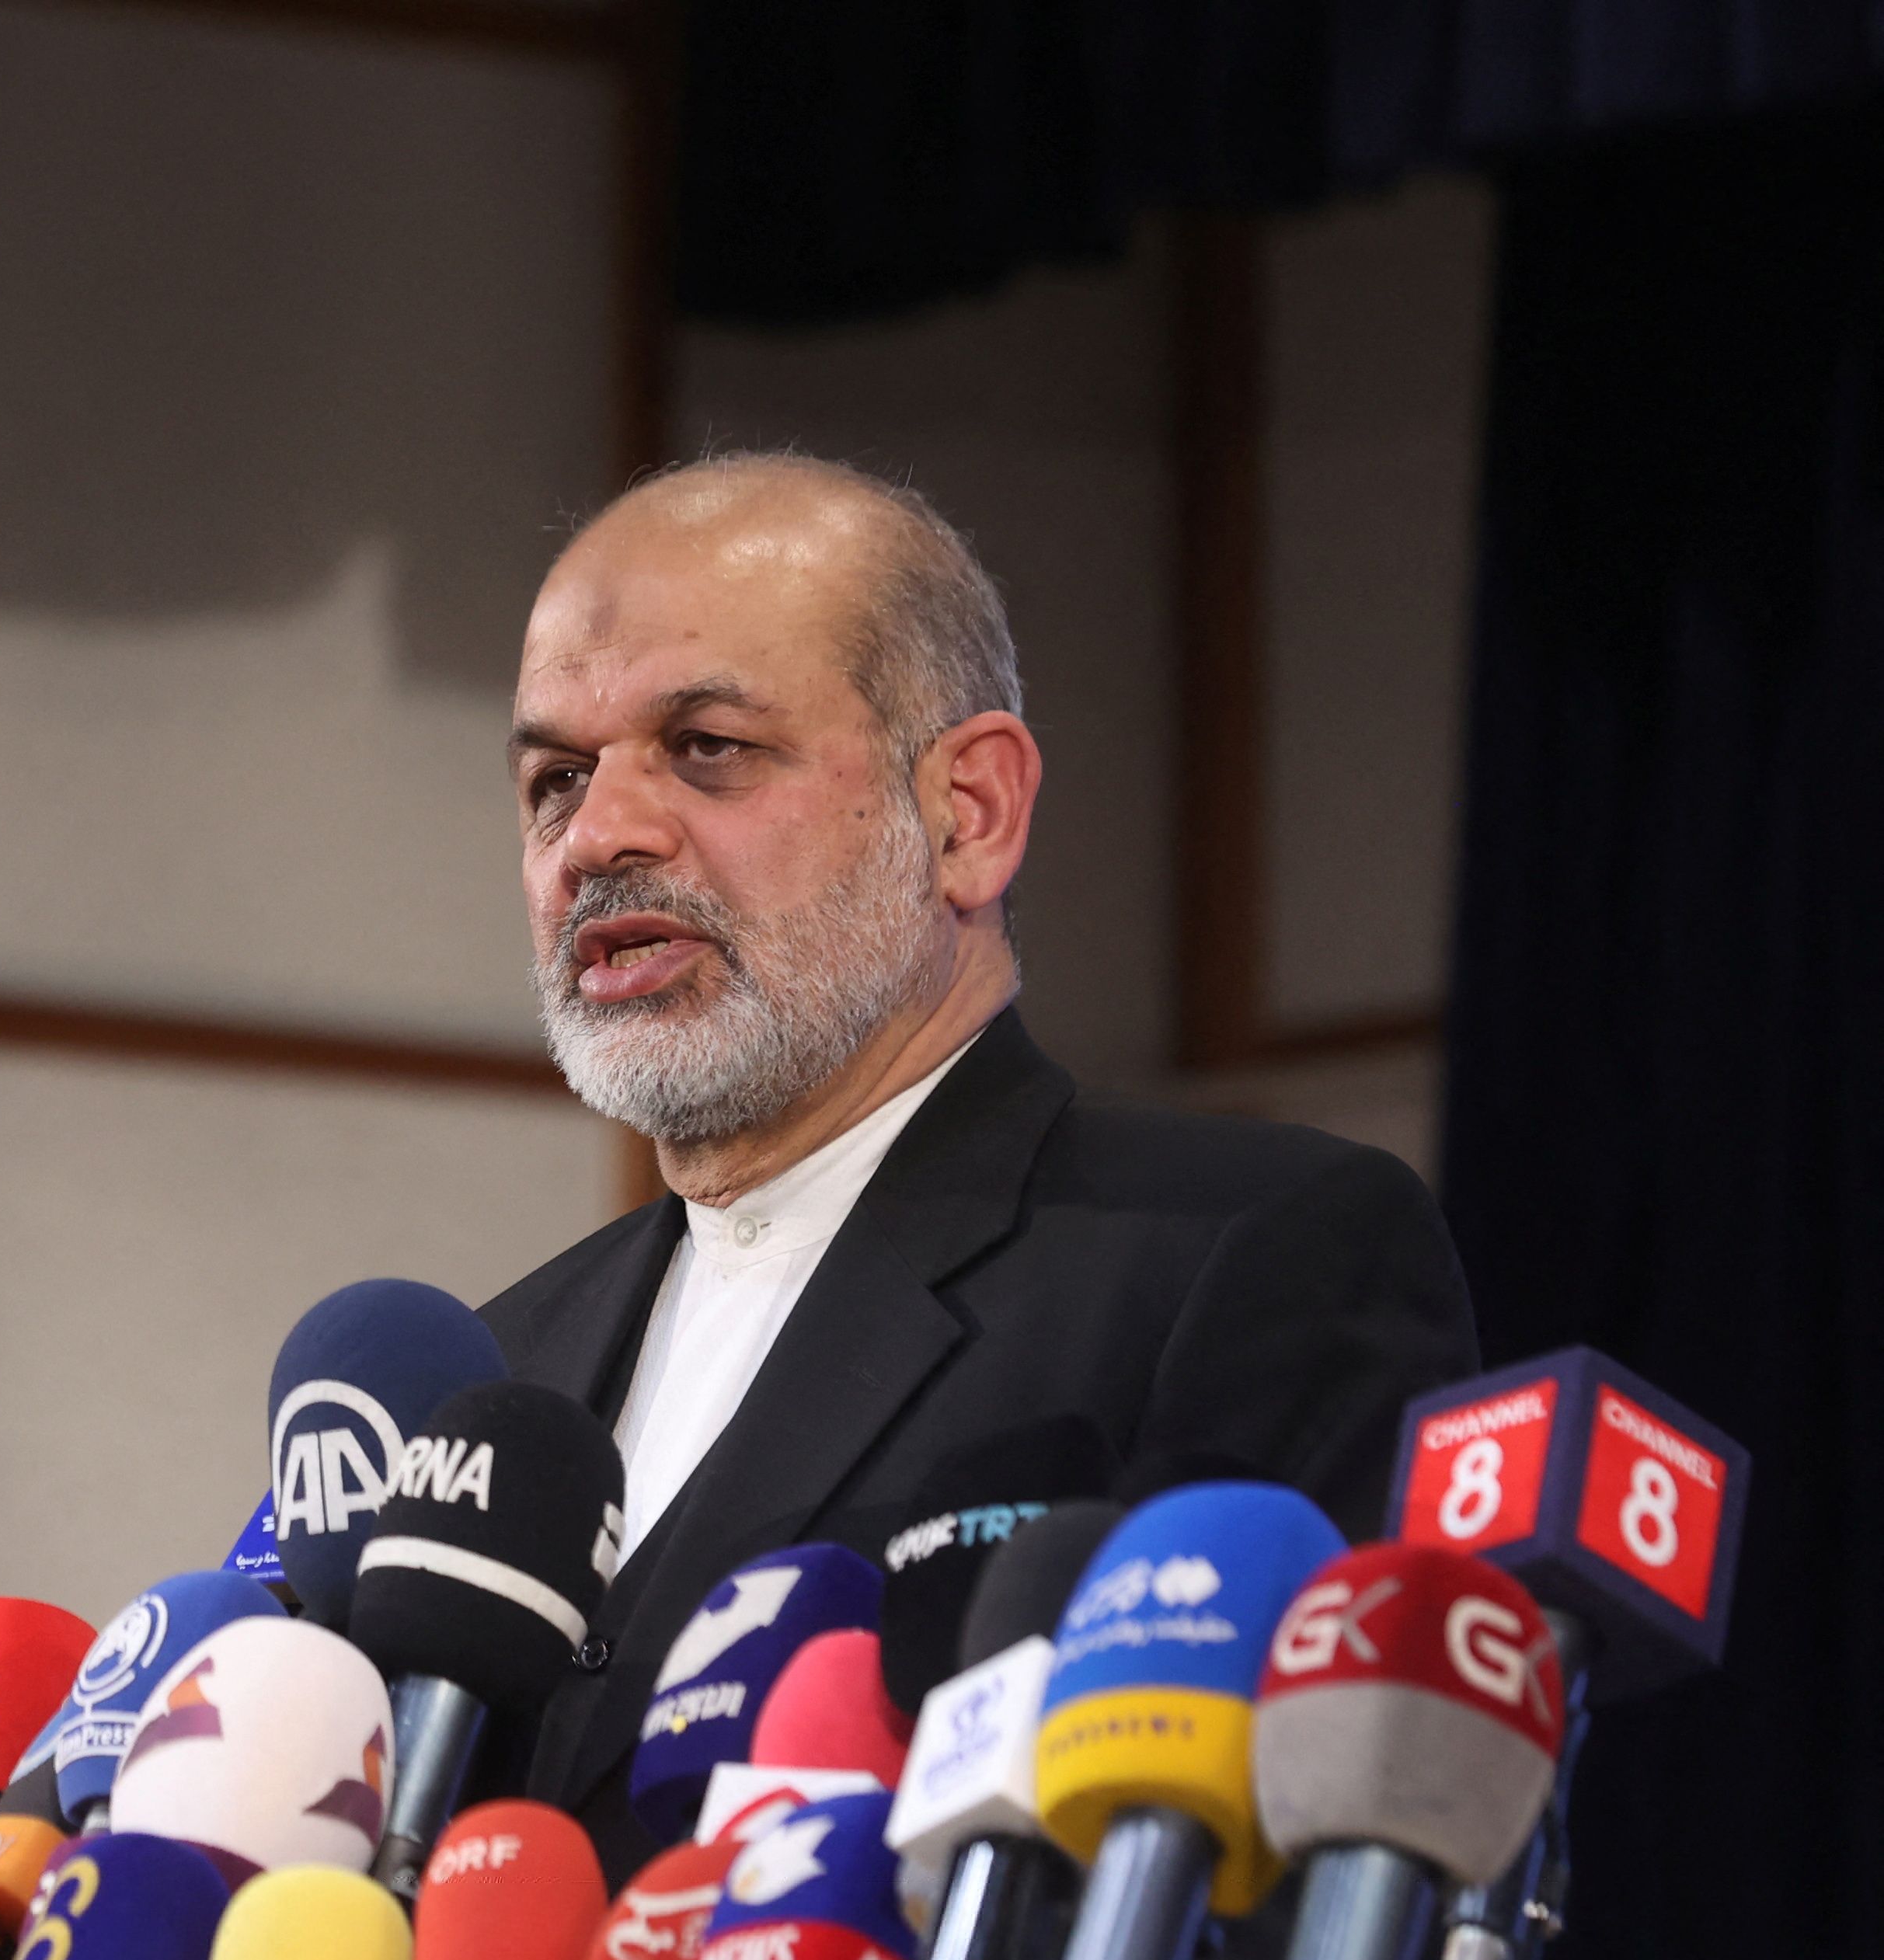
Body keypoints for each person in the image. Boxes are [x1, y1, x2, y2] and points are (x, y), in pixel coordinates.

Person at [479, 452, 1478, 1885]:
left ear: (970, 813)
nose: (598, 837)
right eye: (554, 779)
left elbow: (1288, 1933)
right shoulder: (495, 1376)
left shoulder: (1247, 1257)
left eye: (706, 746)